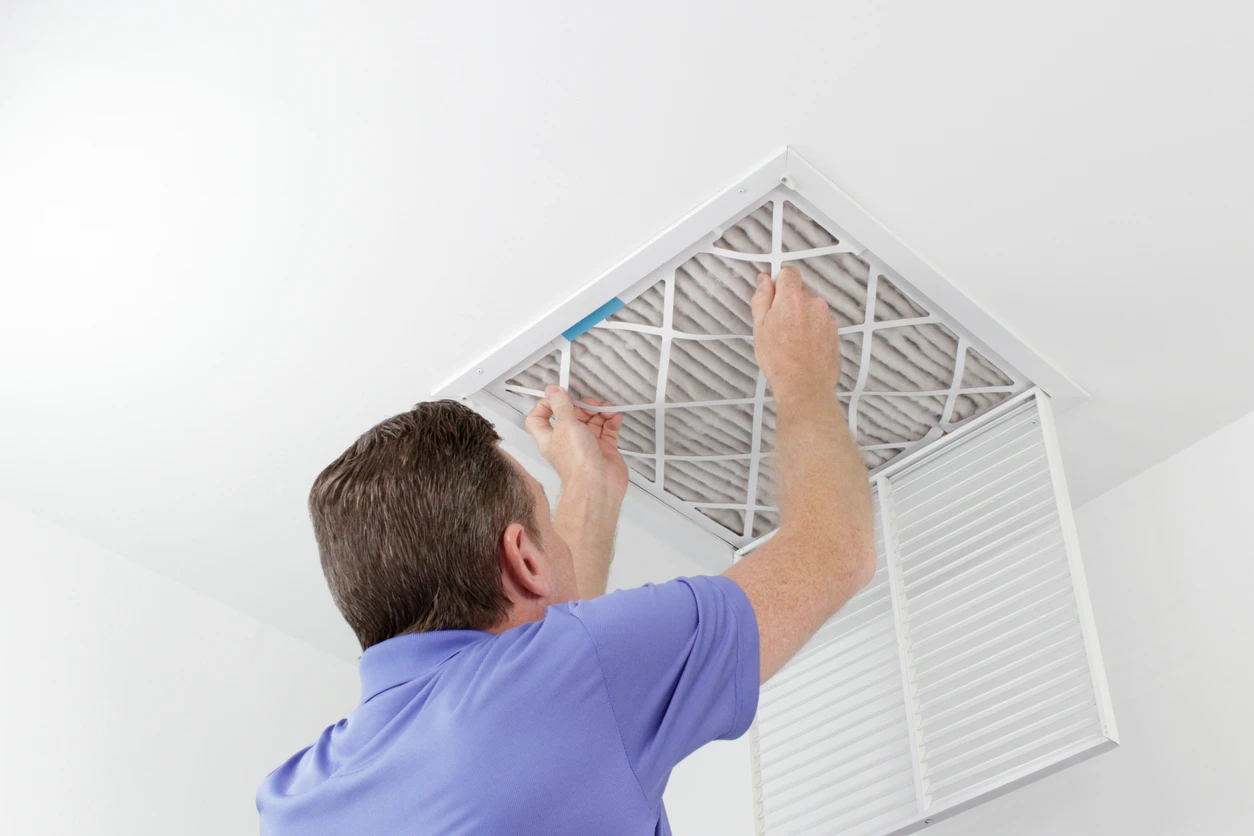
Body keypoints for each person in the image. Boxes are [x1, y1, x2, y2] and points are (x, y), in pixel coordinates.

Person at [256, 266, 877, 835]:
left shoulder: (292, 802)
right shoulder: (569, 677)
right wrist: (803, 378)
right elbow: (836, 548)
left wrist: (588, 490)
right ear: (524, 559)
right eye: (544, 521)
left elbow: (547, 683)